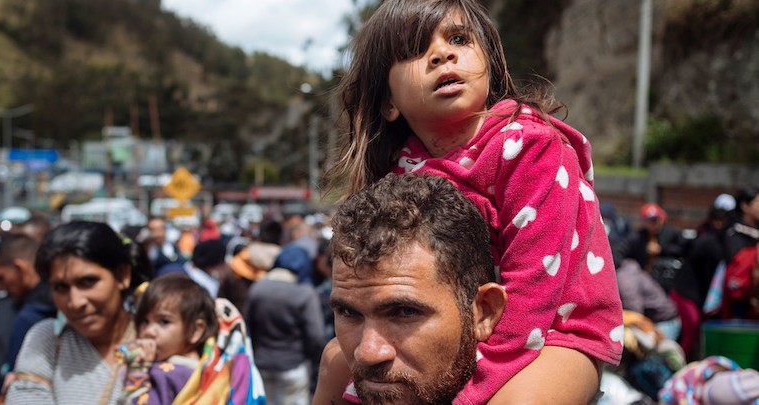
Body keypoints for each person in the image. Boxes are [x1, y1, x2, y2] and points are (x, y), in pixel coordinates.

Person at [321, 0, 623, 402]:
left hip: (556, 330)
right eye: (414, 50)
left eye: (459, 39)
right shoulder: (403, 171)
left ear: (490, 66)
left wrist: (474, 392)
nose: (443, 53)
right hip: (467, 329)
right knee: (331, 360)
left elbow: (535, 284)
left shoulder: (530, 145)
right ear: (388, 103)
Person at [317, 173, 508, 404]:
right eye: (348, 313)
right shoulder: (334, 378)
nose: (367, 353)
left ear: (483, 312)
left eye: (405, 312)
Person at [4, 221, 137, 404]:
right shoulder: (46, 342)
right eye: (61, 287)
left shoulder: (160, 338)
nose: (75, 302)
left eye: (88, 282)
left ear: (123, 276)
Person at [118, 273, 218, 404]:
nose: (148, 331)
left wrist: (137, 371)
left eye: (164, 322)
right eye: (144, 321)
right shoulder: (207, 370)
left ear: (196, 330)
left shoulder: (172, 374)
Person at [245, 244, 326, 405]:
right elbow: (315, 335)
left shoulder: (258, 288)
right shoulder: (305, 293)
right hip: (293, 366)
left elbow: (247, 327)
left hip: (262, 364)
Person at [0, 233, 56, 372]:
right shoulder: (49, 303)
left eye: (1, 277)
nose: (0, 287)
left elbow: (16, 374)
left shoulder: (29, 316)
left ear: (20, 268)